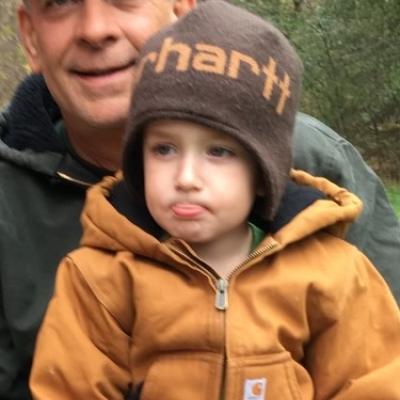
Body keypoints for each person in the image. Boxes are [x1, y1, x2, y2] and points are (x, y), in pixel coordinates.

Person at [0, 0, 399, 398]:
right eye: (164, 149)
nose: (95, 29)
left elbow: (375, 375)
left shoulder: (331, 260)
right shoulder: (96, 279)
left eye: (219, 151)